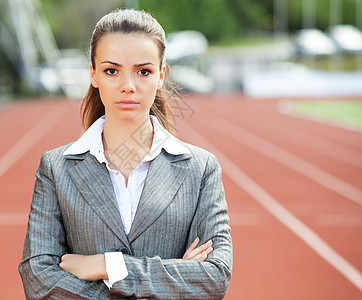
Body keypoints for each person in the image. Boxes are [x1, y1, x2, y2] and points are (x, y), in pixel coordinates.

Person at [19, 9, 232, 299]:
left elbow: (214, 277)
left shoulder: (201, 168)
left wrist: (110, 265)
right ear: (93, 74)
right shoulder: (56, 168)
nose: (128, 86)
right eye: (111, 71)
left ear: (161, 75)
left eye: (143, 71)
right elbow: (39, 279)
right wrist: (173, 278)